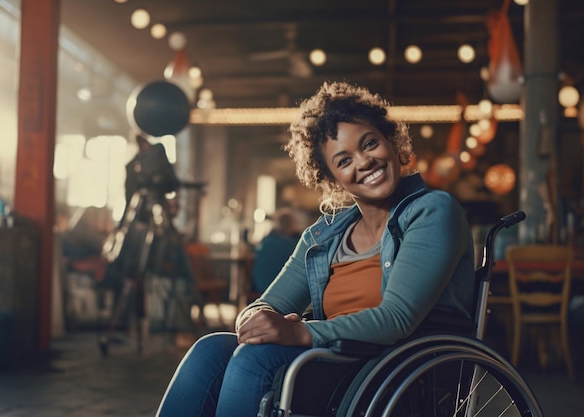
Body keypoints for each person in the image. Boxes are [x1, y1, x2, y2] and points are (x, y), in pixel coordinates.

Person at [154, 81, 476, 417]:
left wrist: (298, 330)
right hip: (335, 362)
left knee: (255, 360)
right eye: (344, 160)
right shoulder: (323, 236)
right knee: (210, 350)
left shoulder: (433, 211)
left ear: (392, 143)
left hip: (397, 372)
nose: (364, 161)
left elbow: (396, 319)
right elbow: (267, 303)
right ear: (333, 179)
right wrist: (252, 319)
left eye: (370, 144)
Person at [250, 207, 302, 294]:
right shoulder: (297, 245)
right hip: (287, 292)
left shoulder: (266, 242)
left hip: (262, 289)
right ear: (293, 224)